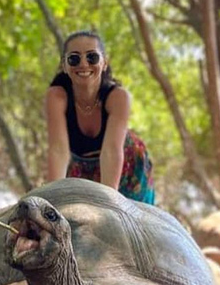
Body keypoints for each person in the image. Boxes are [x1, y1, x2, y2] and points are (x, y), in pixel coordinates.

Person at [45, 30, 155, 204]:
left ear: (104, 63)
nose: (83, 64)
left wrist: (108, 205)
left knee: (126, 220)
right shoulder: (57, 96)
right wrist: (52, 201)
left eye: (92, 57)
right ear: (65, 65)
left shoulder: (118, 97)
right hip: (81, 167)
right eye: (74, 58)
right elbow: (58, 150)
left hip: (127, 166)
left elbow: (111, 152)